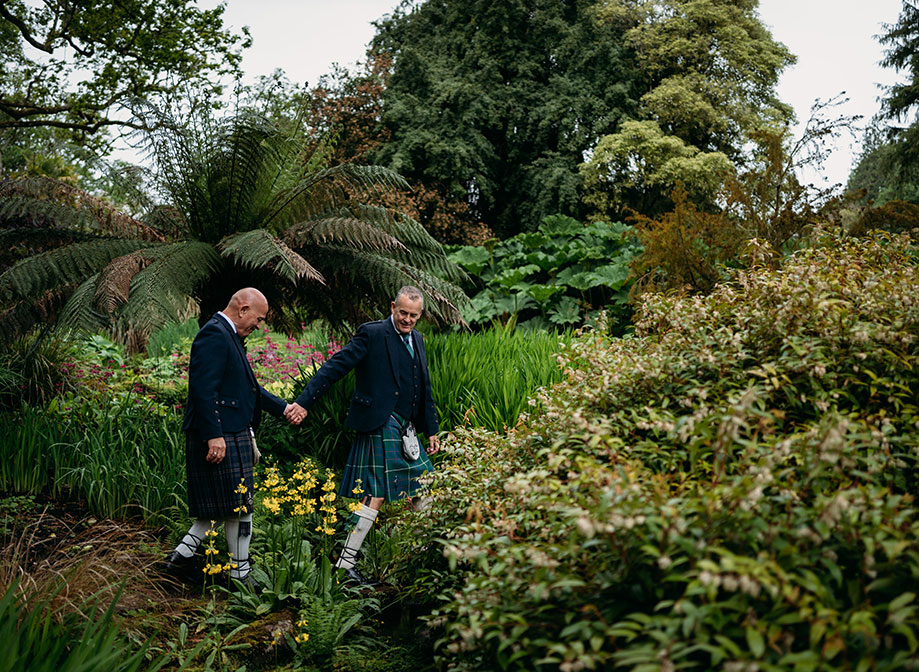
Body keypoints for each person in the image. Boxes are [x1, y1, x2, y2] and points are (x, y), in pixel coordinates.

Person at [285, 285, 441, 585]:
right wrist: (304, 402)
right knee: (376, 495)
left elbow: (425, 388)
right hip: (379, 423)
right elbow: (335, 367)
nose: (408, 320)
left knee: (425, 486)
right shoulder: (371, 333)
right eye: (403, 313)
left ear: (421, 315)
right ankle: (345, 564)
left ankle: (422, 560)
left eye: (414, 315)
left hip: (405, 427)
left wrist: (431, 429)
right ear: (392, 306)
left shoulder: (418, 340)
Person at [161, 287, 295, 590]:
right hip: (220, 433)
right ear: (243, 308)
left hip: (231, 430)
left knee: (227, 507)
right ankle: (239, 575)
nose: (259, 325)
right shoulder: (215, 335)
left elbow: (249, 389)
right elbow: (202, 389)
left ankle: (180, 560)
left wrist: (284, 407)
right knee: (239, 506)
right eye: (258, 319)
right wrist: (214, 436)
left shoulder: (230, 336)